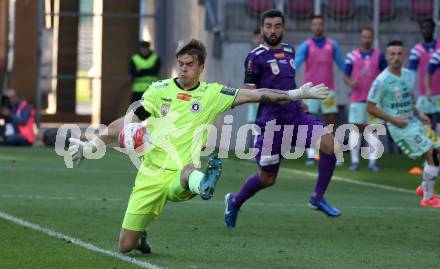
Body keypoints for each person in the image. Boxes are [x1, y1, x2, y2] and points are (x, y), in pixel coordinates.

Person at [68, 39, 330, 253]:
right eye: (180, 64)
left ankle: (202, 182)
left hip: (183, 171)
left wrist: (295, 94)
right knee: (125, 246)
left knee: (188, 172)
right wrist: (90, 146)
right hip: (149, 174)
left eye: (189, 65)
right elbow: (124, 123)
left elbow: (255, 94)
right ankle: (142, 233)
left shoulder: (212, 94)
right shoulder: (159, 90)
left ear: (201, 67)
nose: (183, 69)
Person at [223, 10, 341, 229]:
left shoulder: (289, 50)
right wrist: (284, 96)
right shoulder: (255, 57)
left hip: (295, 116)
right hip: (271, 122)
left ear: (283, 28)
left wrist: (298, 98)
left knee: (330, 143)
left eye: (277, 26)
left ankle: (317, 198)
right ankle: (234, 201)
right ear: (262, 28)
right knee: (268, 178)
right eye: (268, 26)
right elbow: (248, 92)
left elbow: (286, 80)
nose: (273, 30)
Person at [367, 40, 440, 208]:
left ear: (404, 55)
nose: (396, 57)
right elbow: (370, 107)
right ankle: (428, 198)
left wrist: (420, 113)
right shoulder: (382, 80)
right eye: (392, 54)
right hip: (400, 128)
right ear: (386, 56)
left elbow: (409, 99)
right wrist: (393, 120)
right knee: (431, 154)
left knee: (438, 151)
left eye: (399, 54)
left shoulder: (408, 75)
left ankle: (424, 187)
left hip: (414, 122)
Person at [295, 15, 345, 165]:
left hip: (328, 91)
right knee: (307, 120)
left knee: (330, 121)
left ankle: (333, 151)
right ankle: (311, 153)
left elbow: (342, 64)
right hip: (310, 91)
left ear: (323, 26)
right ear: (311, 27)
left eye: (320, 24)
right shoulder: (306, 46)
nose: (317, 27)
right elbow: (296, 64)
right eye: (315, 24)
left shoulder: (332, 45)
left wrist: (349, 77)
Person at [343, 27, 387, 172]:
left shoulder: (379, 56)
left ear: (373, 38)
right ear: (361, 38)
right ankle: (355, 161)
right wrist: (350, 83)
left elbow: (386, 74)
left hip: (374, 101)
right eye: (364, 37)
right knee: (356, 131)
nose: (367, 39)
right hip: (357, 99)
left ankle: (372, 162)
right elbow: (345, 76)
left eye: (369, 37)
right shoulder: (352, 56)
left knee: (373, 131)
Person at [408, 19, 440, 131]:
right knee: (426, 124)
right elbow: (411, 72)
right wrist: (410, 89)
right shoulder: (417, 50)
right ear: (421, 30)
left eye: (429, 27)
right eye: (424, 27)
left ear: (433, 29)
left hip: (439, 93)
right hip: (425, 94)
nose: (426, 30)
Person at [130, 41, 161, 119]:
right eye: (142, 48)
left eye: (145, 48)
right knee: (137, 109)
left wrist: (141, 71)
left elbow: (155, 71)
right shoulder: (134, 58)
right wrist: (149, 70)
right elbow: (132, 73)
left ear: (148, 48)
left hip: (152, 89)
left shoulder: (155, 57)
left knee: (151, 108)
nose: (144, 50)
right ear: (139, 49)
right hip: (138, 90)